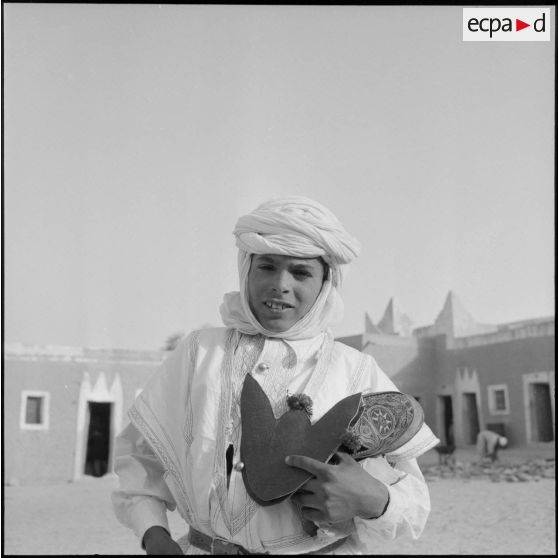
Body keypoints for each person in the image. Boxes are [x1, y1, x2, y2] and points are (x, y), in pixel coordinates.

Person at [112, 196, 439, 555]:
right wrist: (153, 534)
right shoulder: (199, 353)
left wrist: (371, 499)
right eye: (266, 266)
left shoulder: (356, 370)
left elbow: (413, 510)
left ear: (325, 283)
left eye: (300, 272)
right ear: (246, 269)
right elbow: (140, 462)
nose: (280, 284)